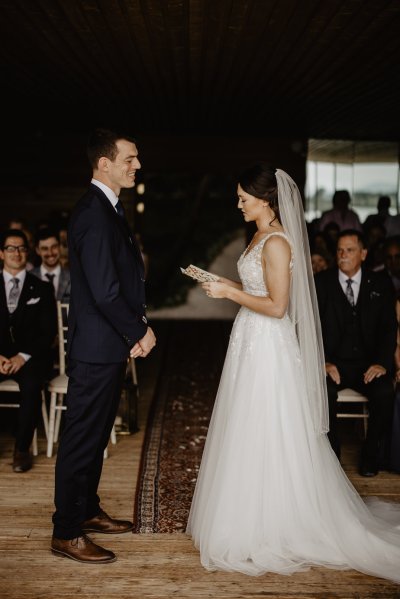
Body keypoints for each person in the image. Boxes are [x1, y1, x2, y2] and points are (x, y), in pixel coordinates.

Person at [186, 164, 400, 582]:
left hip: (268, 345)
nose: (239, 204)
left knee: (270, 426)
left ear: (266, 200)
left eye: (244, 198)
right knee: (247, 426)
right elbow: (260, 288)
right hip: (251, 341)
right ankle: (247, 511)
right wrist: (223, 281)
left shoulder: (279, 242)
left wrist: (229, 292)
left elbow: (279, 307)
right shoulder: (260, 235)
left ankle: (275, 521)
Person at [51, 129, 156, 564]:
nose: (137, 165)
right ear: (104, 164)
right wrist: (138, 332)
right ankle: (66, 532)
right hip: (96, 348)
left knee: (95, 438)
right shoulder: (93, 213)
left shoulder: (108, 208)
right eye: (130, 159)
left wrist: (132, 328)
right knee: (80, 439)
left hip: (106, 345)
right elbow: (105, 290)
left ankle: (87, 511)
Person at [315, 230, 396, 474]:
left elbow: (388, 328)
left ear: (363, 253)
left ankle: (371, 456)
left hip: (368, 364)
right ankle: (332, 458)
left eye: (349, 250)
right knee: (322, 392)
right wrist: (323, 361)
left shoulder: (381, 283)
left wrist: (382, 363)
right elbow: (311, 327)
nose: (343, 255)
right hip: (333, 363)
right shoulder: (321, 282)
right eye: (339, 250)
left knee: (384, 392)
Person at [0, 229, 57, 472]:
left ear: (28, 252)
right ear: (1, 253)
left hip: (30, 358)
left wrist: (21, 357)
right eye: (11, 248)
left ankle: (22, 449)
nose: (16, 253)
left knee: (33, 385)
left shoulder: (42, 288)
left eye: (21, 248)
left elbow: (48, 332)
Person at [31, 228, 71, 302]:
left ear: (59, 247)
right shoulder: (29, 278)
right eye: (45, 249)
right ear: (37, 250)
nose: (50, 253)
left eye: (54, 247)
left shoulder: (72, 277)